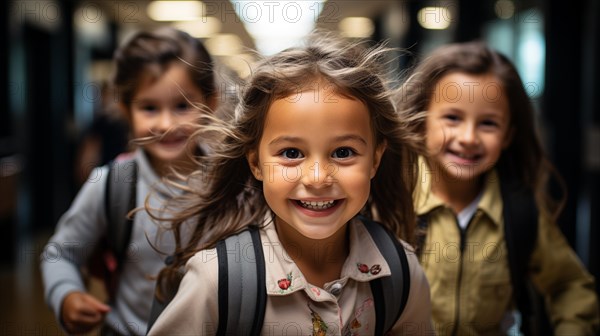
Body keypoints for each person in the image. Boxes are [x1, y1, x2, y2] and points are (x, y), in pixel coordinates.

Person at [148, 32, 433, 335]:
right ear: (256, 162)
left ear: (375, 159)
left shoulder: (401, 272)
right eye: (292, 153)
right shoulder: (218, 279)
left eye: (343, 153)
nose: (317, 178)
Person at [397, 41, 600, 335]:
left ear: (508, 136)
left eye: (488, 123)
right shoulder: (392, 200)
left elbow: (569, 285)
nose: (468, 137)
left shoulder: (519, 211)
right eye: (452, 118)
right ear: (422, 121)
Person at [40, 27, 218, 335]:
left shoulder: (235, 184)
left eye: (182, 106)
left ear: (210, 103)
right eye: (149, 107)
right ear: (126, 109)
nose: (165, 123)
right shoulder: (111, 185)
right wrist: (66, 295)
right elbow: (61, 253)